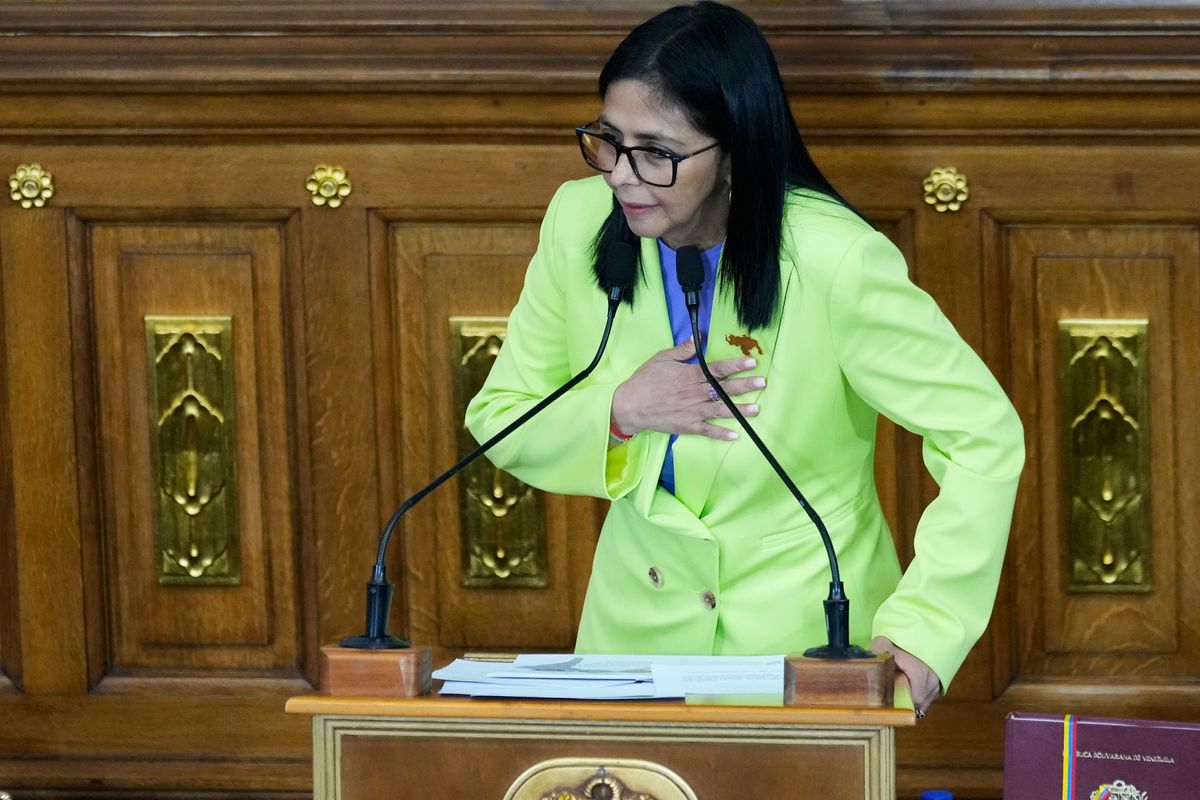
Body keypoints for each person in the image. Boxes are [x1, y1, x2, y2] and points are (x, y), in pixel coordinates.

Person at [465, 0, 1023, 717]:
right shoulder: (578, 223)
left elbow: (983, 434)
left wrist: (926, 632)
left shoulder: (835, 259)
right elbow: (501, 419)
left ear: (733, 152)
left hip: (807, 649)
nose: (622, 176)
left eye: (657, 152)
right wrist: (621, 410)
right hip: (632, 648)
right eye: (609, 141)